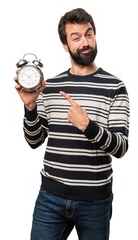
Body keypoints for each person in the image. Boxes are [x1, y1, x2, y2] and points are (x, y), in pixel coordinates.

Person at [14, 8, 130, 240]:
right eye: (76, 38)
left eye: (89, 34)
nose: (85, 42)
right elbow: (34, 141)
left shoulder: (115, 86)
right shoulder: (50, 86)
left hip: (95, 202)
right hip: (50, 198)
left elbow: (121, 147)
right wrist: (30, 108)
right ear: (65, 45)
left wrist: (87, 125)